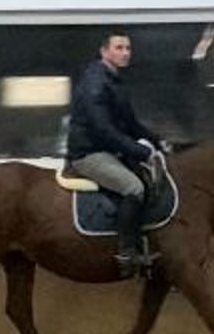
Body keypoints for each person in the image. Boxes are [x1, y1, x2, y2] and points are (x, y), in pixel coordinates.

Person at [67, 29, 166, 276]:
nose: (125, 53)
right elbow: (103, 130)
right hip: (89, 154)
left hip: (108, 150)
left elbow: (131, 124)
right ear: (104, 51)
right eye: (119, 48)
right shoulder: (95, 83)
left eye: (128, 48)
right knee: (134, 187)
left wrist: (160, 142)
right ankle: (126, 253)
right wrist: (140, 151)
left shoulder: (114, 81)